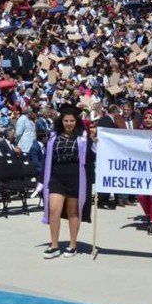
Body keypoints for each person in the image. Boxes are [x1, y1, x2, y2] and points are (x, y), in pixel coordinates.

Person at [41, 105, 94, 259]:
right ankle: (54, 245)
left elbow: (91, 158)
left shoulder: (83, 138)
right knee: (54, 211)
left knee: (73, 212)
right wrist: (41, 179)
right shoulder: (53, 137)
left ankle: (72, 245)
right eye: (66, 121)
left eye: (71, 121)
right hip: (57, 177)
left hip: (76, 177)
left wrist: (95, 143)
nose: (69, 123)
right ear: (61, 121)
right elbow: (46, 160)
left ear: (76, 122)